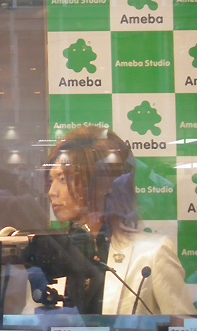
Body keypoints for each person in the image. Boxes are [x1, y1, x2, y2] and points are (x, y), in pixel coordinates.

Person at [40, 125, 194, 315]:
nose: (52, 192)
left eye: (63, 179)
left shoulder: (152, 254)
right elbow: (30, 324)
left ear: (100, 183)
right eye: (51, 180)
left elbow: (182, 329)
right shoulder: (52, 254)